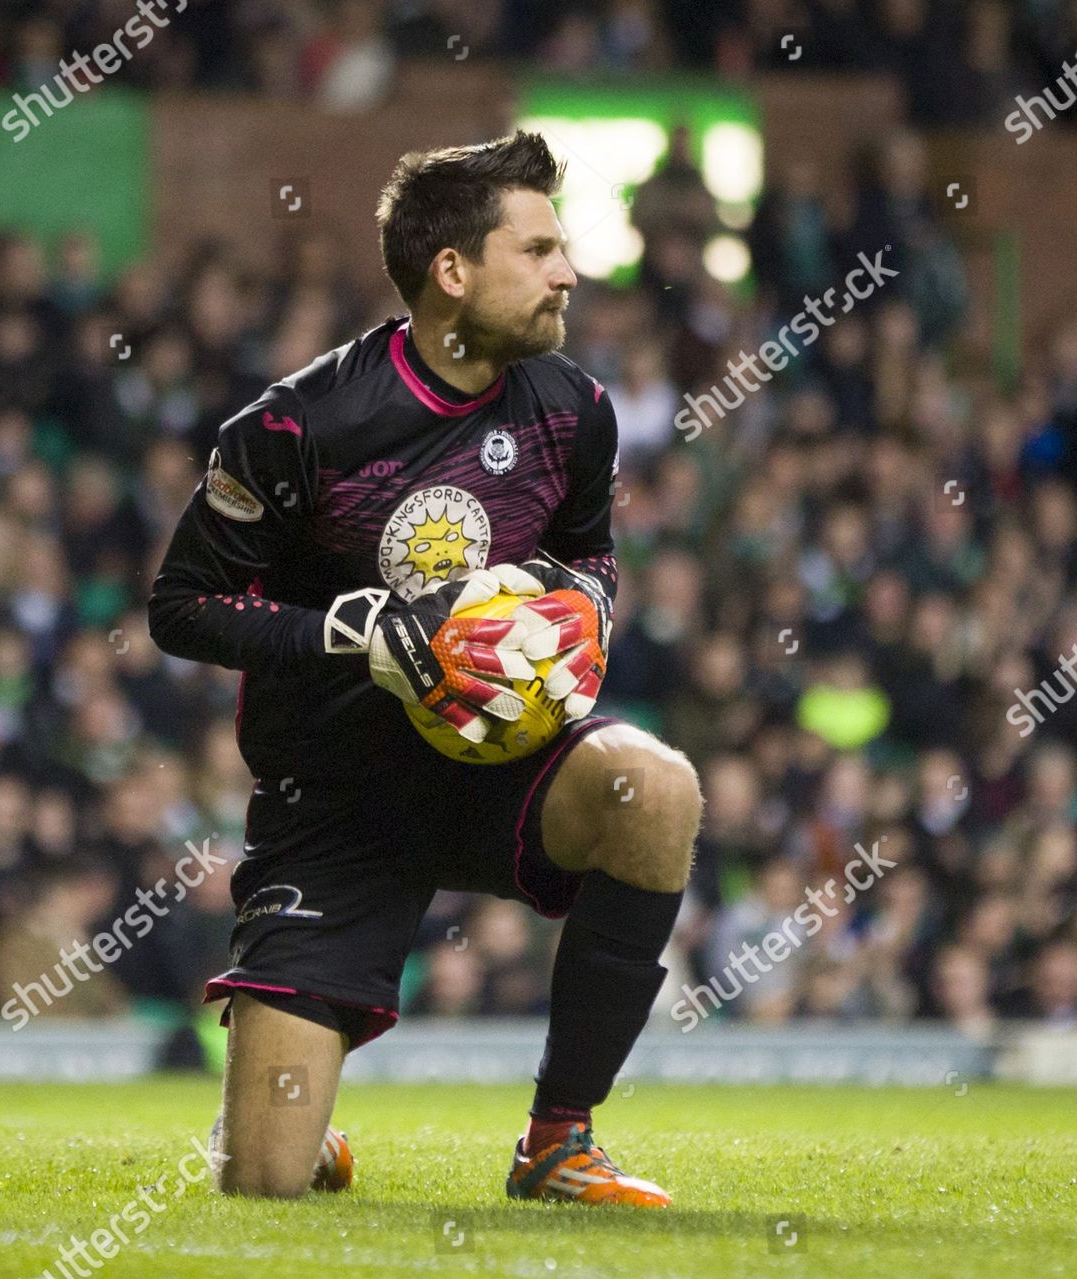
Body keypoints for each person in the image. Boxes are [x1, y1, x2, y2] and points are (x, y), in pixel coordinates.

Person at [149, 132, 702, 1207]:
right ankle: (295, 1126)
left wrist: (583, 602)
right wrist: (348, 635)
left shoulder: (573, 410)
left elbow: (588, 552)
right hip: (339, 797)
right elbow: (180, 607)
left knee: (658, 786)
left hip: (498, 763)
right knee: (262, 1184)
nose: (567, 272)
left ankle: (556, 1140)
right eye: (538, 248)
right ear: (453, 272)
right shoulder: (296, 427)